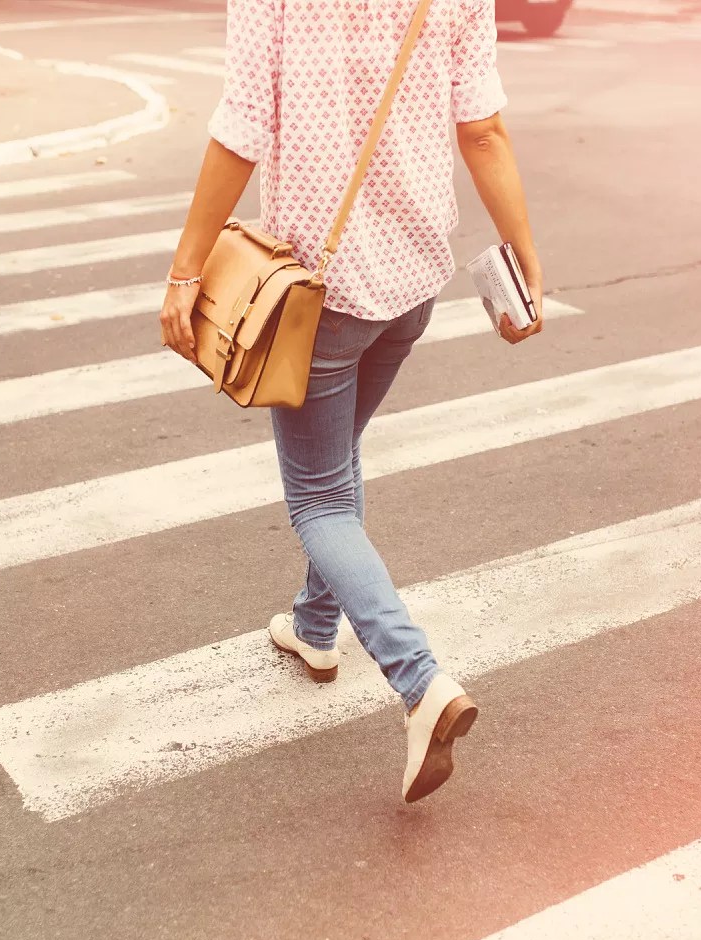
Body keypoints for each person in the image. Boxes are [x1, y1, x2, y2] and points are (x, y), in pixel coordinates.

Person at [159, 0, 543, 803]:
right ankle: (313, 628)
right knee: (338, 462)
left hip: (318, 293)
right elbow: (483, 130)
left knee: (320, 500)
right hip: (410, 284)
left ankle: (420, 682)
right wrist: (526, 257)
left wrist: (186, 269)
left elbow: (242, 127)